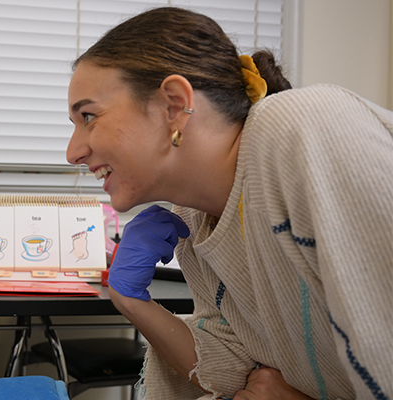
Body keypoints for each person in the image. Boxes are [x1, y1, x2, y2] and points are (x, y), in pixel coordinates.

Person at [65, 6, 392, 400]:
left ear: (172, 104)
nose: (74, 151)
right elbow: (228, 372)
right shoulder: (196, 217)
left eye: (88, 116)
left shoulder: (299, 130)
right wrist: (131, 301)